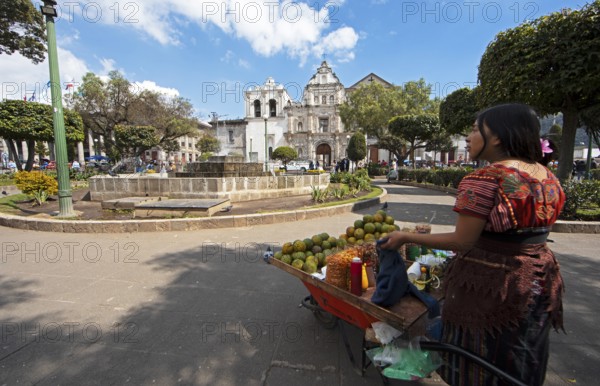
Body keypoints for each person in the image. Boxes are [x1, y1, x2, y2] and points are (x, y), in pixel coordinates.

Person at [379, 103, 566, 386]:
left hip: (491, 285)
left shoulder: (483, 178)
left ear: (499, 137)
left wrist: (405, 237)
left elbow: (463, 241)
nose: (468, 136)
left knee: (479, 359)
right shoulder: (546, 175)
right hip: (539, 277)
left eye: (476, 129)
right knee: (521, 355)